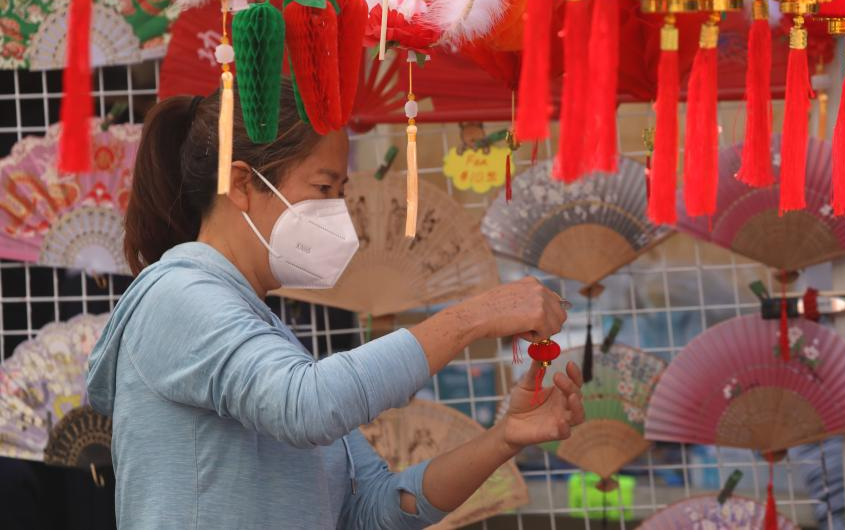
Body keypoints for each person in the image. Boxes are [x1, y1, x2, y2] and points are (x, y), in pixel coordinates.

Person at [86, 84, 583, 529]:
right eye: (323, 189)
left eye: (340, 193)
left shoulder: (264, 334)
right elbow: (308, 406)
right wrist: (471, 318)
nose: (337, 212)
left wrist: (504, 440)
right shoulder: (178, 295)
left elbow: (374, 506)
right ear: (241, 184)